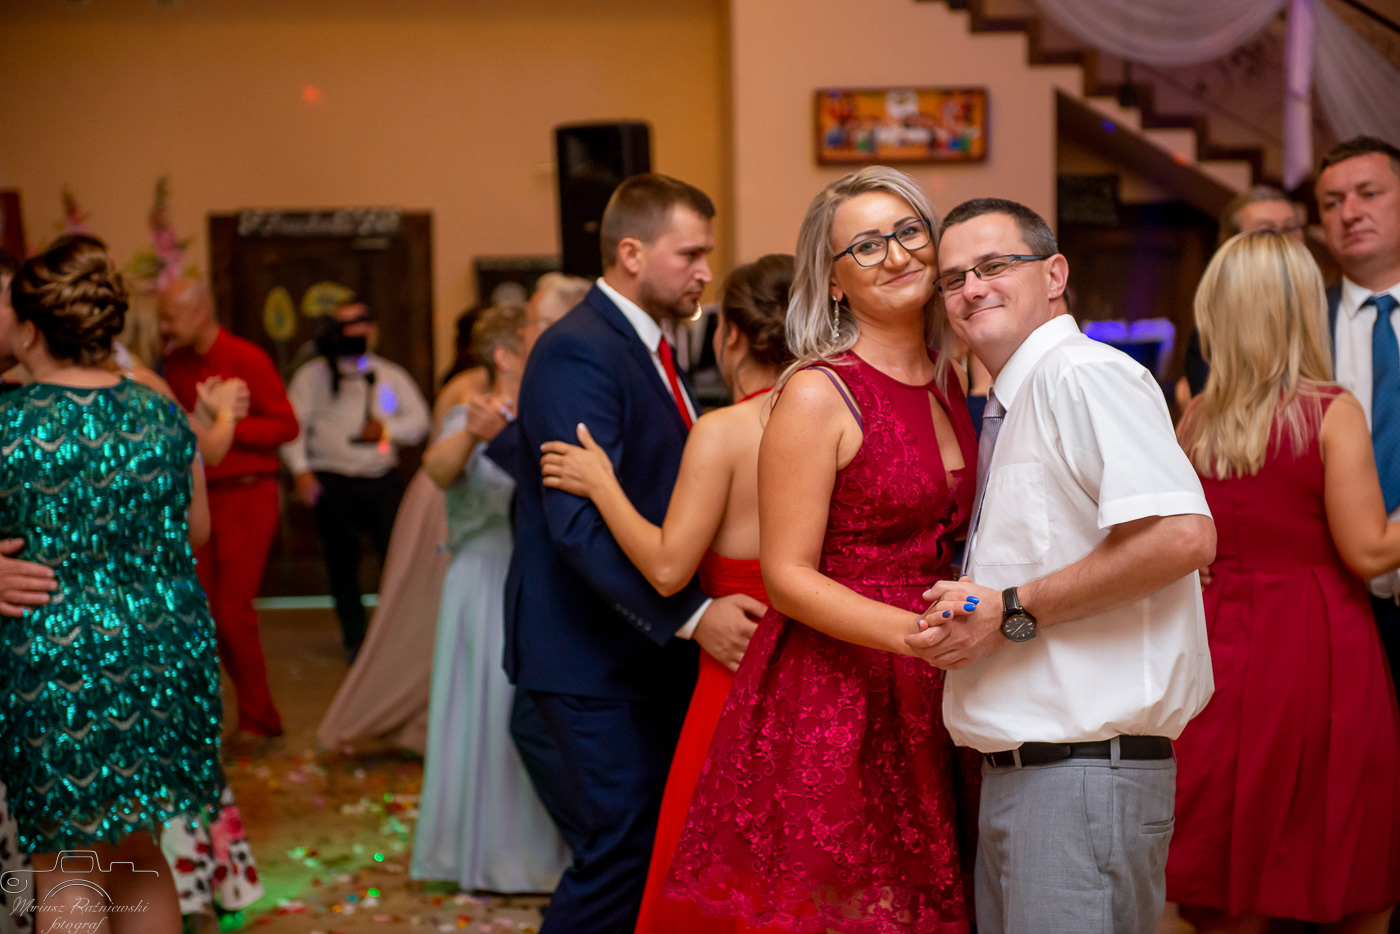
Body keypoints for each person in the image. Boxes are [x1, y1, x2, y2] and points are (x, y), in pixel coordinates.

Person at [666, 167, 981, 931]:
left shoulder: (949, 375)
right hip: (839, 688)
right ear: (833, 281)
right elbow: (787, 576)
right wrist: (917, 637)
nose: (897, 255)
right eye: (866, 245)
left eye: (909, 232)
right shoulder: (817, 391)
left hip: (936, 678)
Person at [909, 197, 1216, 933]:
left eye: (993, 266)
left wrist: (1012, 609)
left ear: (1054, 275)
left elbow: (1181, 537)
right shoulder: (1016, 399)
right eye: (952, 279)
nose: (971, 288)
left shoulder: (1080, 374)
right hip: (1031, 775)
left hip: (1081, 778)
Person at [502, 173, 766, 934]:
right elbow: (577, 525)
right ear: (631, 253)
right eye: (690, 254)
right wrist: (694, 617)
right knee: (619, 854)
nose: (705, 272)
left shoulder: (647, 343)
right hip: (587, 657)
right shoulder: (578, 351)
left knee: (645, 849)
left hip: (628, 652)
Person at [1167, 230, 1400, 932]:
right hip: (1316, 644)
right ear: (1301, 309)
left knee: (1230, 841)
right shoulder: (1331, 412)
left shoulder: (1196, 417)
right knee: (1333, 843)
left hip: (1220, 641)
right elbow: (1369, 551)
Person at [0, 235, 222, 934]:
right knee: (137, 848)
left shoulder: (10, 423)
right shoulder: (160, 412)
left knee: (65, 862)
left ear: (30, 330)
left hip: (55, 657)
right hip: (161, 648)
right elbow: (197, 531)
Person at [411, 305, 569, 892]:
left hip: (529, 575)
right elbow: (436, 470)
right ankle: (480, 856)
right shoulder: (469, 411)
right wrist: (474, 434)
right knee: (484, 713)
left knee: (524, 717)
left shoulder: (544, 413)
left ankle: (532, 856)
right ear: (506, 355)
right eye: (534, 343)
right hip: (479, 580)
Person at [161, 277, 299, 740]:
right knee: (204, 611)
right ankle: (230, 716)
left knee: (234, 612)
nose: (164, 327)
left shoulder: (247, 358)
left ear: (199, 312)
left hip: (247, 493)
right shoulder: (173, 364)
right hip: (201, 497)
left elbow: (286, 425)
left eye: (170, 317)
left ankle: (261, 718)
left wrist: (227, 426)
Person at [282, 302, 431, 660]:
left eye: (361, 323)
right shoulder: (313, 377)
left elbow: (420, 421)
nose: (353, 332)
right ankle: (356, 639)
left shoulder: (389, 376)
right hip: (332, 482)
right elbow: (292, 426)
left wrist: (387, 429)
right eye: (345, 325)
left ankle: (397, 633)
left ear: (372, 329)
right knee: (341, 563)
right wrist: (301, 470)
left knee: (395, 557)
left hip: (380, 481)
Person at [1316, 135, 1400, 693]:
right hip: (1338, 607)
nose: (1350, 213)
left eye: (1368, 193)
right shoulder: (1299, 326)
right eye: (1332, 202)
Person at [1174, 185, 1308, 410]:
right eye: (1266, 232)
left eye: (1290, 228)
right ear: (1231, 245)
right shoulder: (1212, 334)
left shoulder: (1329, 307)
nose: (1283, 241)